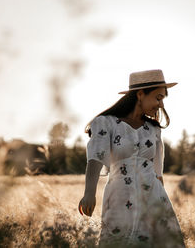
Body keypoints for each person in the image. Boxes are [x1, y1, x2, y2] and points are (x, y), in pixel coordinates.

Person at [78, 69, 185, 247]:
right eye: (158, 98)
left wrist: (162, 206)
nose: (160, 105)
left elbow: (157, 172)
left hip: (154, 196)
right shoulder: (106, 123)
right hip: (119, 196)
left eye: (163, 100)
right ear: (141, 94)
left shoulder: (153, 129)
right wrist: (89, 192)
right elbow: (96, 158)